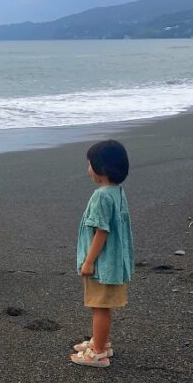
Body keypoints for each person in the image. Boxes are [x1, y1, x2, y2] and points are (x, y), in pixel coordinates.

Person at [71, 140, 134, 368]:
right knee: (102, 305)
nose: (88, 168)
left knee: (99, 306)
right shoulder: (116, 191)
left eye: (90, 164)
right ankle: (101, 342)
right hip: (114, 260)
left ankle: (98, 353)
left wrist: (89, 261)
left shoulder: (101, 196)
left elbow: (101, 231)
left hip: (102, 263)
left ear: (102, 168)